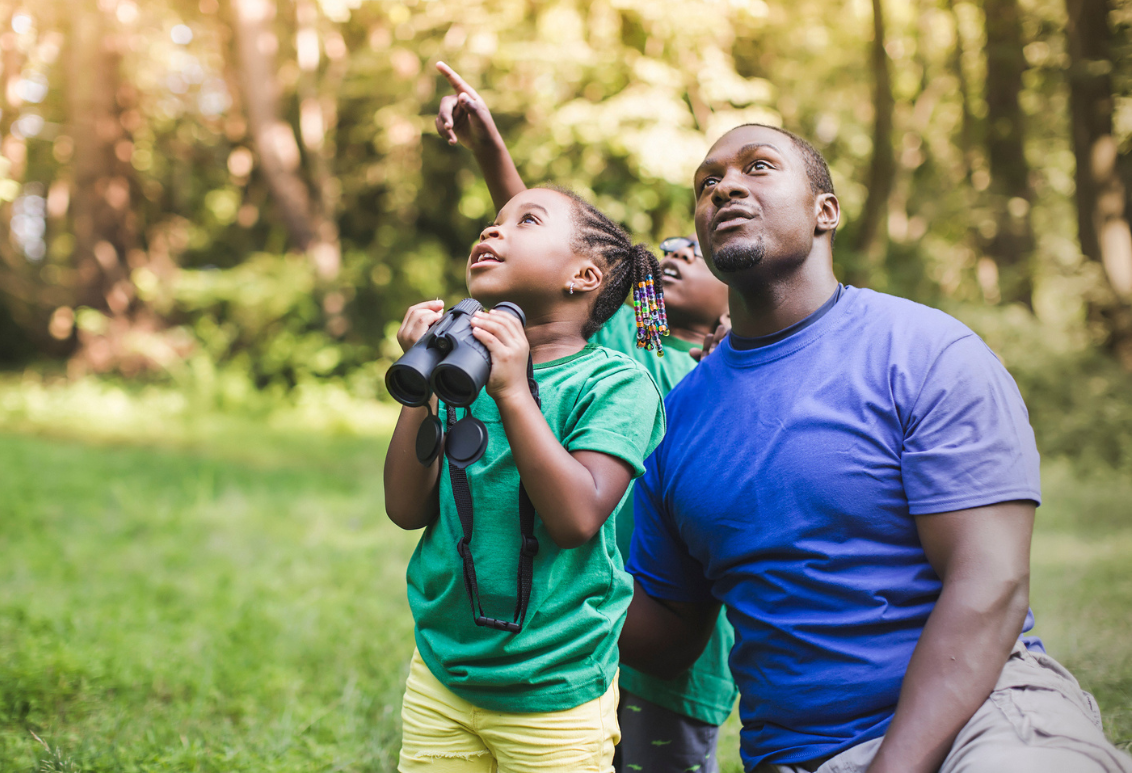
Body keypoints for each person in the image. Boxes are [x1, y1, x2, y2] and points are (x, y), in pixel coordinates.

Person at [619, 122, 1132, 773]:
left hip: (985, 718)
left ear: (824, 211)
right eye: (708, 183)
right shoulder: (678, 420)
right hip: (800, 756)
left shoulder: (924, 353)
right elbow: (668, 636)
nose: (725, 189)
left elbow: (990, 583)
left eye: (759, 167)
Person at [435, 61, 738, 773]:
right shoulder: (631, 341)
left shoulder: (731, 376)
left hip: (675, 646)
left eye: (698, 252)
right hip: (581, 618)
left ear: (738, 298)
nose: (675, 250)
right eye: (671, 246)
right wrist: (491, 152)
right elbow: (552, 264)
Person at [384, 184, 667, 772]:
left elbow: (575, 518)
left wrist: (513, 391)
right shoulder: (461, 368)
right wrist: (419, 388)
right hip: (445, 671)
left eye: (527, 220)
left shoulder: (615, 385)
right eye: (493, 220)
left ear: (584, 276)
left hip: (554, 686)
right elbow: (406, 509)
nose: (493, 230)